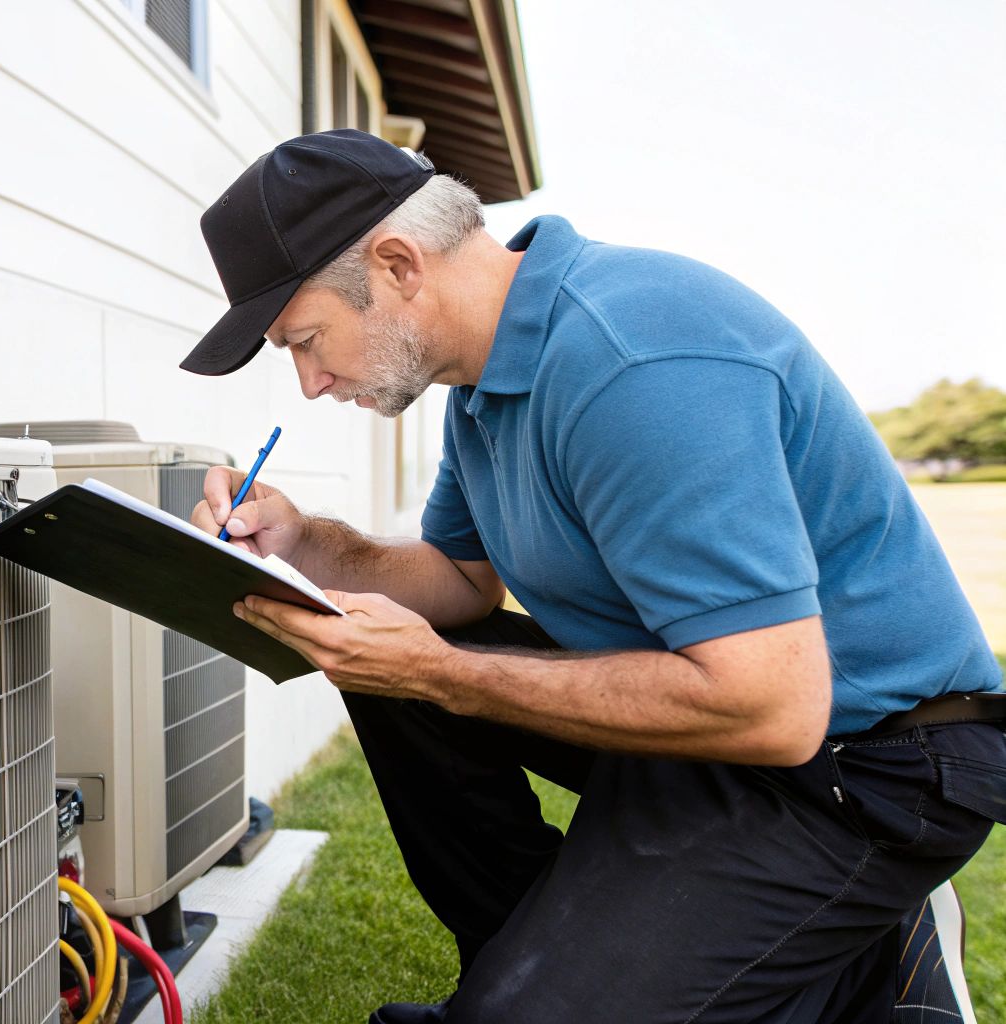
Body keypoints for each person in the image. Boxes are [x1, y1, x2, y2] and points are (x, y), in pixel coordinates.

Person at [182, 129, 1006, 1023]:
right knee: (395, 676)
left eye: (306, 340)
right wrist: (303, 542)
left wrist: (439, 672)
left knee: (427, 677)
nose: (309, 382)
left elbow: (774, 705)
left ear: (396, 265)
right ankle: (538, 962)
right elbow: (459, 583)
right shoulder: (484, 381)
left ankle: (871, 961)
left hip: (865, 765)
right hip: (713, 723)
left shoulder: (632, 360)